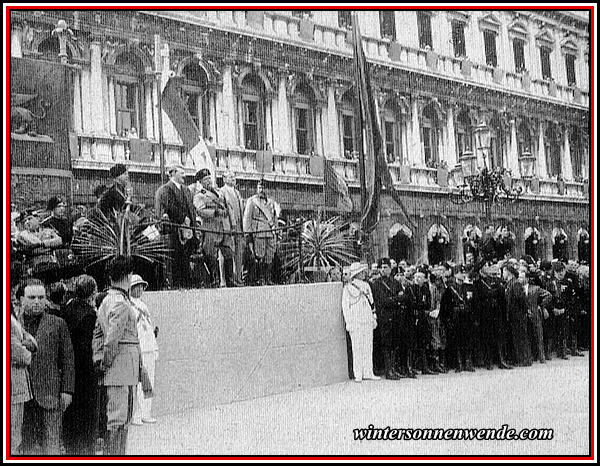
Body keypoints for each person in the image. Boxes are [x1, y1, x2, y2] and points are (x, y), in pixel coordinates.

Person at [92, 256, 152, 456]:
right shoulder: (119, 303)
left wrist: (99, 359)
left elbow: (98, 336)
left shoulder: (108, 301)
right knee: (119, 420)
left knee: (121, 418)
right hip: (120, 369)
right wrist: (105, 363)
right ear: (127, 276)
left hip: (123, 369)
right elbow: (111, 339)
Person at [20, 278, 75, 455]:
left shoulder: (58, 323)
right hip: (21, 395)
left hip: (50, 393)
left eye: (41, 297)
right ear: (22, 300)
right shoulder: (13, 325)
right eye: (32, 297)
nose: (37, 302)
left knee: (51, 443)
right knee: (23, 444)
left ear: (46, 300)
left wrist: (67, 390)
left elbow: (67, 358)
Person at [61, 275, 99, 455]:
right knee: (87, 420)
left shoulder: (67, 309)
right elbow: (90, 348)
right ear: (93, 293)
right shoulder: (90, 315)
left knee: (72, 419)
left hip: (69, 371)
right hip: (86, 373)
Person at [155, 164, 197, 289]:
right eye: (181, 172)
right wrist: (183, 218)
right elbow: (169, 206)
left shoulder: (186, 190)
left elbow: (191, 209)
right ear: (172, 174)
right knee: (175, 262)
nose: (184, 175)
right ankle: (176, 286)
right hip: (173, 233)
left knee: (185, 261)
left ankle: (186, 285)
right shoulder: (165, 190)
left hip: (188, 233)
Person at [191, 169, 234, 287]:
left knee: (228, 253)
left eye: (209, 178)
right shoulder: (199, 195)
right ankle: (214, 279)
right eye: (206, 179)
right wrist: (215, 212)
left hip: (223, 227)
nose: (209, 181)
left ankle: (230, 280)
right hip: (210, 228)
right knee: (211, 254)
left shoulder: (219, 192)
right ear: (200, 181)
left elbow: (228, 207)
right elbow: (200, 211)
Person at [341, 262, 380, 383]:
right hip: (356, 320)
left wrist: (374, 317)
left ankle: (369, 371)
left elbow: (372, 303)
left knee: (368, 346)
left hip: (367, 319)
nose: (364, 274)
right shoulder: (348, 288)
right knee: (357, 347)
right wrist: (349, 322)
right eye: (362, 272)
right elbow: (345, 307)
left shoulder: (367, 285)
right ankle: (358, 373)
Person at [129, 274, 159, 426]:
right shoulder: (129, 305)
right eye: (136, 286)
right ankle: (136, 414)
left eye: (141, 286)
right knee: (139, 383)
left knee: (149, 381)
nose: (140, 289)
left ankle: (146, 412)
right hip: (139, 348)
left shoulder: (143, 304)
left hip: (149, 347)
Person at [370, 258, 404, 380]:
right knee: (386, 344)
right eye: (381, 268)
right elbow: (382, 301)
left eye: (385, 267)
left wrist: (394, 299)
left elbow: (402, 296)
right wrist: (396, 299)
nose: (383, 270)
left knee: (394, 343)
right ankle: (388, 370)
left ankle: (393, 368)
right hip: (385, 318)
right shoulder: (377, 284)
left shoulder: (395, 282)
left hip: (395, 316)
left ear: (390, 268)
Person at [10, 302, 37, 455]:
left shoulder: (13, 319)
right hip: (13, 385)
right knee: (12, 434)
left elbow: (29, 339)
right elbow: (18, 353)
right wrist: (28, 352)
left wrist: (26, 344)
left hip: (17, 386)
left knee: (15, 431)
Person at [475, 264, 511, 370]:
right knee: (487, 338)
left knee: (499, 338)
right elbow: (477, 302)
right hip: (485, 314)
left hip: (497, 313)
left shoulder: (497, 281)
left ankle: (501, 360)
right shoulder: (478, 283)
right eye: (485, 267)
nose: (488, 269)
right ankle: (488, 361)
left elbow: (502, 298)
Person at [243, 179, 279, 285]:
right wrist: (247, 234)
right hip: (258, 233)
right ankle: (259, 278)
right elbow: (247, 219)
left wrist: (276, 231)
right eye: (260, 187)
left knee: (269, 256)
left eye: (264, 188)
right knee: (259, 256)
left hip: (270, 233)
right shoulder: (252, 201)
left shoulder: (271, 202)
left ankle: (267, 278)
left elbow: (274, 218)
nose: (262, 190)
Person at [220, 170, 246, 287]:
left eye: (234, 177)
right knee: (228, 254)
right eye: (230, 177)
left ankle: (239, 279)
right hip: (229, 229)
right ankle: (226, 280)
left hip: (239, 229)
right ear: (224, 179)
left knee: (239, 254)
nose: (233, 179)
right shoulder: (222, 192)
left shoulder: (237, 193)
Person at [523, 270, 552, 364]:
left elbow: (548, 295)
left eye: (522, 277)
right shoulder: (518, 288)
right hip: (524, 314)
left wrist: (540, 305)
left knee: (539, 334)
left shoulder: (535, 288)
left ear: (527, 278)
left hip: (535, 312)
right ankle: (530, 356)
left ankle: (541, 356)